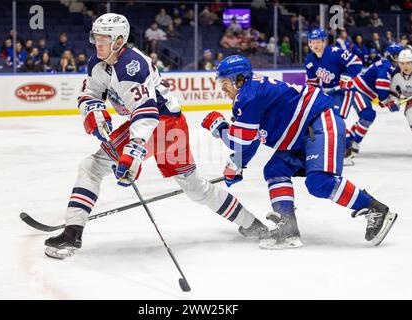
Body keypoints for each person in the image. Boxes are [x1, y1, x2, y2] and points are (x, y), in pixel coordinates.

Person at [44, 13, 269, 259]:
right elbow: (90, 93)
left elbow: (146, 112)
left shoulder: (132, 65)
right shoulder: (98, 63)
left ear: (119, 41)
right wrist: (93, 111)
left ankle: (72, 234)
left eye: (103, 38)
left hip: (159, 125)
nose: (97, 43)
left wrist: (134, 152)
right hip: (174, 127)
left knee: (91, 167)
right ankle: (251, 224)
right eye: (95, 37)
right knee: (195, 188)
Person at [201, 55, 398, 249]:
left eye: (225, 82)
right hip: (302, 136)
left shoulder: (249, 96)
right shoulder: (247, 95)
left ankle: (376, 209)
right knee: (274, 170)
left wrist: (219, 128)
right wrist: (236, 165)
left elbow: (239, 140)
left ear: (239, 79)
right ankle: (288, 228)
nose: (222, 88)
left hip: (319, 123)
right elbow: (250, 140)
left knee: (319, 182)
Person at [304, 29, 374, 165]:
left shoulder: (335, 52)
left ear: (324, 42)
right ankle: (345, 146)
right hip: (329, 92)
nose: (315, 45)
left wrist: (346, 76)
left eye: (318, 42)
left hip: (345, 92)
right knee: (326, 120)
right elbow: (313, 82)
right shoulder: (309, 60)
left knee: (335, 119)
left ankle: (347, 151)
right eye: (313, 42)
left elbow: (356, 63)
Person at [390, 48, 412, 133]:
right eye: (402, 63)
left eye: (408, 63)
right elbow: (392, 93)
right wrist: (394, 102)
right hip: (411, 104)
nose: (405, 66)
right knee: (410, 112)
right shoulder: (396, 77)